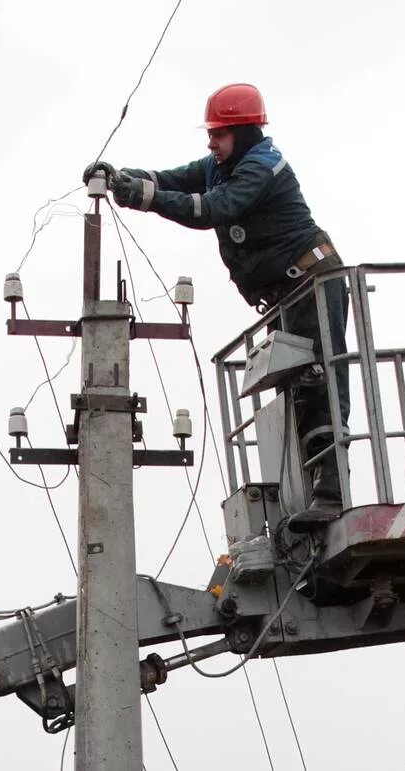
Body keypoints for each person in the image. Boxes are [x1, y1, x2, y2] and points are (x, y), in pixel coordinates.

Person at [84, 83, 350, 532]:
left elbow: (211, 209)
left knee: (320, 382)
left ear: (244, 132)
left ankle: (331, 492)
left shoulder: (261, 167)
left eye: (219, 134)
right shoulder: (219, 166)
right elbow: (170, 179)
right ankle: (315, 490)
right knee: (299, 387)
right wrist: (120, 175)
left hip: (312, 283)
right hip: (287, 294)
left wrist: (141, 198)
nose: (211, 142)